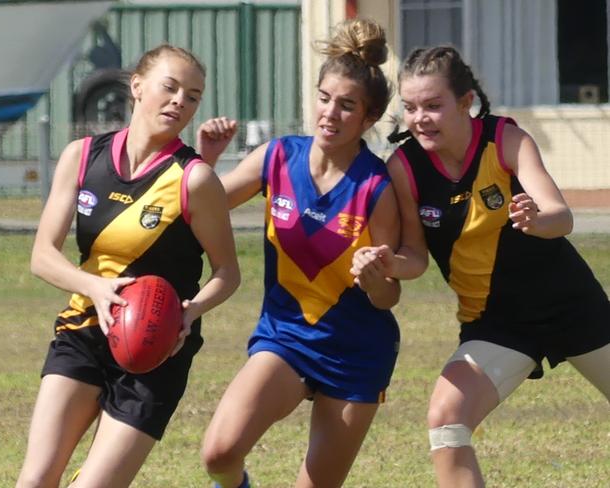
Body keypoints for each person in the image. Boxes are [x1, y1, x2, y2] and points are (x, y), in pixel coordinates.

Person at [353, 45, 610, 487]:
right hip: (495, 323)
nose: (420, 119)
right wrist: (388, 263)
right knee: (446, 420)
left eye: (433, 106)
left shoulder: (506, 140)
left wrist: (536, 219)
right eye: (411, 108)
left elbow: (561, 218)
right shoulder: (405, 166)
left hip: (573, 306)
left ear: (466, 103)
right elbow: (415, 256)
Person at [16, 44, 240, 488]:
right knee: (36, 479)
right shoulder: (82, 156)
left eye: (192, 96)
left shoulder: (195, 178)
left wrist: (188, 313)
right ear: (136, 87)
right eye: (170, 87)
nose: (180, 101)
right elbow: (43, 255)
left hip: (155, 348)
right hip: (83, 329)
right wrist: (95, 289)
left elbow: (228, 272)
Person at [197, 18, 406, 488]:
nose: (330, 113)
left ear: (369, 119)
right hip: (285, 337)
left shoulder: (376, 187)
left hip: (355, 351)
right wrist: (206, 159)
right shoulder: (277, 157)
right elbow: (205, 203)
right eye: (324, 97)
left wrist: (375, 278)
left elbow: (388, 297)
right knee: (219, 453)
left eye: (347, 105)